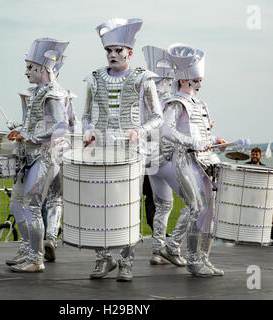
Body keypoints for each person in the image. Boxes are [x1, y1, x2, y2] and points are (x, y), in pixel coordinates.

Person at [82, 18, 163, 281]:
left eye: (118, 50)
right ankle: (102, 258)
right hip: (102, 152)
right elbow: (86, 116)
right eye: (109, 50)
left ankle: (126, 261)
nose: (113, 55)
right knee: (99, 205)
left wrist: (138, 131)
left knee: (128, 205)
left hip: (132, 153)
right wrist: (89, 130)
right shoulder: (94, 79)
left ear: (130, 51)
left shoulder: (143, 78)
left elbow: (157, 117)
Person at [151, 43, 227, 277]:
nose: (199, 84)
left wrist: (214, 139)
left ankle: (203, 257)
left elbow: (200, 133)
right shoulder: (175, 102)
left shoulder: (200, 104)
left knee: (208, 210)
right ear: (184, 80)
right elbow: (165, 130)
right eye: (196, 81)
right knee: (196, 207)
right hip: (183, 159)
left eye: (200, 80)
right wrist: (191, 143)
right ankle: (188, 256)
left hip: (203, 160)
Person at [5, 37, 72, 272]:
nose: (26, 72)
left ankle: (36, 258)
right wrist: (20, 131)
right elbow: (32, 124)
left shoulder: (54, 93)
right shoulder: (37, 92)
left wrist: (30, 137)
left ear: (42, 68)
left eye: (30, 67)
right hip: (29, 156)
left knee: (33, 206)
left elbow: (62, 126)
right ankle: (27, 249)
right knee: (16, 205)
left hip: (45, 156)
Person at [142, 45, 175, 265]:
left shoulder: (147, 98)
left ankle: (159, 247)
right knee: (195, 203)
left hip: (148, 157)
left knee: (160, 204)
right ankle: (168, 247)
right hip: (156, 157)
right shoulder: (164, 102)